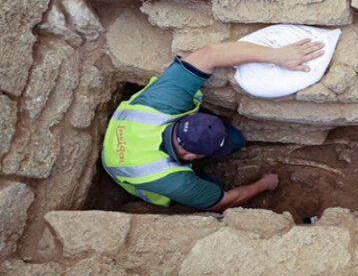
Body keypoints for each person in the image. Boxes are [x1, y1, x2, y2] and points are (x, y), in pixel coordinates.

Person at [101, 38, 324, 211]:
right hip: (124, 171)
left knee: (234, 139)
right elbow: (224, 202)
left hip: (128, 133)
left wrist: (277, 55)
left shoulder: (164, 101)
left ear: (184, 119)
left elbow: (210, 54)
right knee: (212, 188)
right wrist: (264, 184)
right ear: (189, 156)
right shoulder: (177, 182)